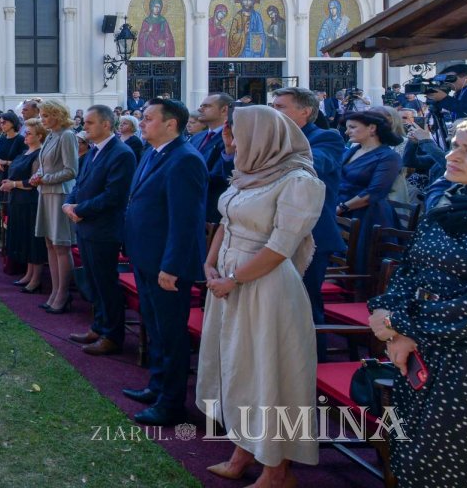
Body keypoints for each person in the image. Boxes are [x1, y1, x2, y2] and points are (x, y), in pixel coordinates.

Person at [198, 105, 324, 484]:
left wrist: (234, 279)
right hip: (230, 279)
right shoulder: (250, 172)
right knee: (237, 368)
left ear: (263, 136)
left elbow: (280, 247)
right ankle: (242, 452)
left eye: (236, 133)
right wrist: (210, 262)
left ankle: (277, 470)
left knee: (267, 374)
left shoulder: (299, 181)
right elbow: (227, 220)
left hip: (266, 287)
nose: (230, 140)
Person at [366, 118, 467, 487]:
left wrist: (401, 324)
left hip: (465, 363)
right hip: (422, 350)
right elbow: (411, 266)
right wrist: (388, 315)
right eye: (456, 145)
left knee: (453, 464)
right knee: (413, 457)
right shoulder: (448, 201)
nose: (452, 156)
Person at [121, 99, 207, 426]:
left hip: (166, 265)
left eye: (148, 118)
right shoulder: (152, 152)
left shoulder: (185, 159)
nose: (142, 123)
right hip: (145, 256)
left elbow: (185, 221)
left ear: (171, 124)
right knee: (155, 328)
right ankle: (156, 386)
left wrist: (171, 266)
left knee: (171, 334)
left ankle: (171, 403)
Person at [270, 87, 347, 361]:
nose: (274, 112)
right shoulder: (274, 138)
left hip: (311, 235)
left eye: (280, 107)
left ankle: (315, 366)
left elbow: (313, 164)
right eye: (273, 106)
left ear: (305, 111)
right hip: (275, 232)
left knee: (306, 304)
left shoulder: (326, 137)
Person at [62, 105, 135, 355]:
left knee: (106, 283)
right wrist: (69, 204)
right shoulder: (94, 150)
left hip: (104, 229)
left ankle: (112, 335)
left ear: (106, 124)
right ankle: (99, 326)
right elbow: (80, 184)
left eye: (90, 123)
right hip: (86, 226)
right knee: (94, 281)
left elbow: (114, 196)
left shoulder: (121, 153)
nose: (85, 127)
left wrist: (80, 209)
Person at [30, 99, 81, 313]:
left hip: (60, 194)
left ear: (57, 115)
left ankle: (63, 293)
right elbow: (45, 165)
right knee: (50, 243)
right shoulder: (51, 135)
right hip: (46, 192)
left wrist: (45, 179)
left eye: (46, 115)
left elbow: (71, 170)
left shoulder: (67, 136)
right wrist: (37, 176)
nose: (42, 119)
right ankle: (55, 291)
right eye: (41, 116)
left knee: (61, 244)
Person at [338, 110, 403, 260]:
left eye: (352, 127)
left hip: (368, 216)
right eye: (347, 128)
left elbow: (375, 192)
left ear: (372, 128)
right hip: (342, 210)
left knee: (359, 261)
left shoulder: (389, 157)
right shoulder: (352, 151)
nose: (347, 132)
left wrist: (341, 208)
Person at [3, 119, 45, 292]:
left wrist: (13, 184)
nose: (25, 136)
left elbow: (33, 182)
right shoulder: (24, 152)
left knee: (33, 240)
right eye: (25, 133)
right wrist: (9, 182)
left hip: (30, 202)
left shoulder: (39, 155)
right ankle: (29, 273)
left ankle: (36, 278)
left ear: (39, 136)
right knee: (24, 239)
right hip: (17, 200)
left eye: (29, 133)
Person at [193, 93, 233, 228]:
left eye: (207, 106)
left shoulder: (232, 139)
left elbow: (221, 175)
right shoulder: (197, 137)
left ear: (224, 110)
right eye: (201, 105)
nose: (200, 109)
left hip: (214, 213)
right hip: (194, 208)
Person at [0, 112, 27, 200]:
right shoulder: (2, 139)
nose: (1, 125)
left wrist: (5, 162)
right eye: (1, 123)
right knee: (3, 203)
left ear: (12, 123)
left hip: (15, 178)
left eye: (4, 122)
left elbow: (23, 162)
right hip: (2, 176)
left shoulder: (21, 140)